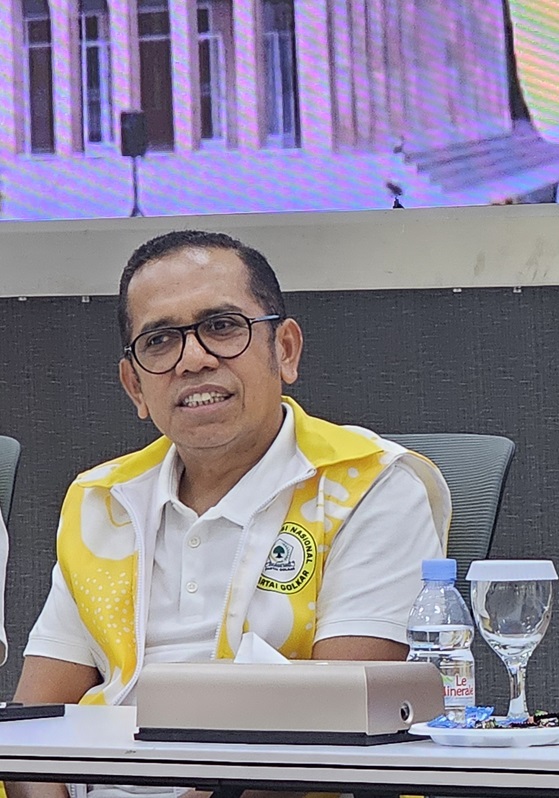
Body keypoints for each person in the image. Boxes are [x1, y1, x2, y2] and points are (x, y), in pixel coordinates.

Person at [10, 230, 448, 798]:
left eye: (221, 327)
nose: (193, 360)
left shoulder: (370, 484)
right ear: (135, 385)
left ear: (284, 350)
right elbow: (33, 725)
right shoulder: (103, 500)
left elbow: (339, 728)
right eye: (160, 340)